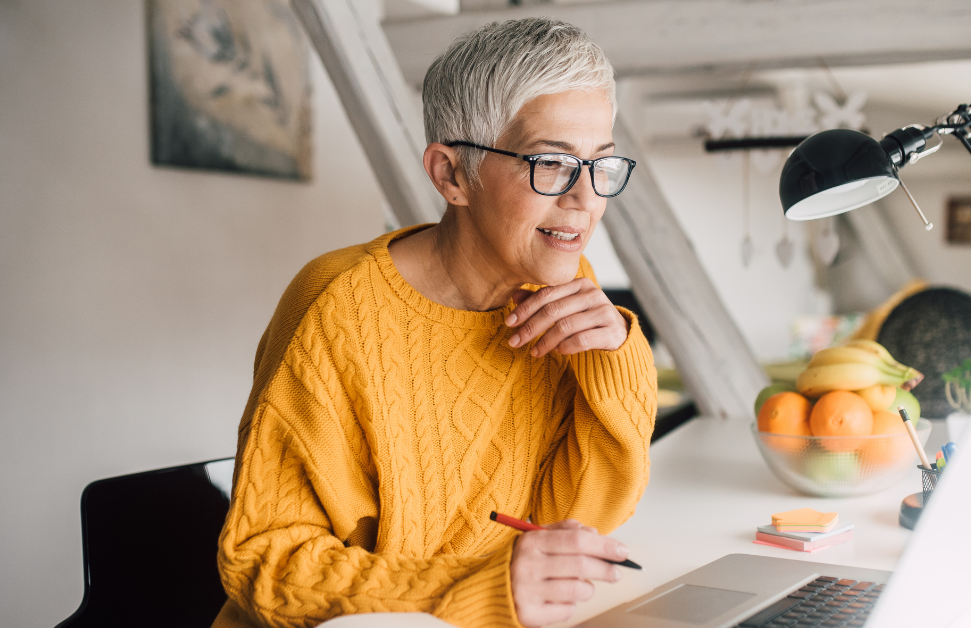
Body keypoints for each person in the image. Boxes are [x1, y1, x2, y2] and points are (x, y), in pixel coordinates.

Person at [211, 18, 656, 628]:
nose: (585, 199)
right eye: (551, 162)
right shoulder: (335, 308)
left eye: (601, 165)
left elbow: (577, 517)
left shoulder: (557, 284)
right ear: (451, 175)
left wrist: (615, 360)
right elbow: (266, 562)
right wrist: (475, 588)